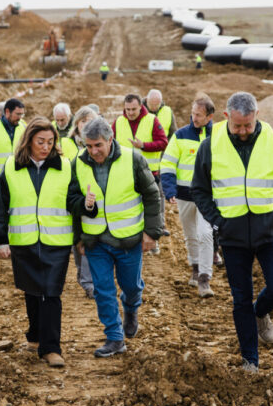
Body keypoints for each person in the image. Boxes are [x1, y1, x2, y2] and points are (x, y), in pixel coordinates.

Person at [191, 92, 273, 373]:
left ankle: (261, 312)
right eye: (237, 125)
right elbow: (199, 189)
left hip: (269, 231)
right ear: (227, 116)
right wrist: (217, 221)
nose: (242, 131)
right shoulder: (210, 146)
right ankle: (250, 360)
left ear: (256, 115)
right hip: (232, 235)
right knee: (240, 299)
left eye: (247, 125)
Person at [69, 118, 163, 357]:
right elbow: (71, 202)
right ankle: (114, 336)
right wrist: (78, 237)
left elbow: (152, 196)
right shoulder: (77, 164)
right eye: (89, 146)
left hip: (128, 239)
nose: (93, 151)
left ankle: (130, 309)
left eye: (98, 145)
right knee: (102, 289)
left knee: (131, 286)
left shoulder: (133, 159)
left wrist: (152, 233)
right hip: (95, 241)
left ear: (110, 140)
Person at [0, 117, 77, 368]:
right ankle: (35, 333)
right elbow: (0, 205)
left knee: (51, 292)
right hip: (23, 240)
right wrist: (0, 240)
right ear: (28, 141)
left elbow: (73, 201)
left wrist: (81, 234)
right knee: (31, 290)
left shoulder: (65, 166)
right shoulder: (11, 166)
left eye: (50, 142)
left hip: (56, 240)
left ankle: (51, 348)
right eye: (41, 141)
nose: (46, 146)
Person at [161, 93, 217, 298]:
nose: (194, 118)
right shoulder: (181, 135)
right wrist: (169, 190)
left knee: (205, 233)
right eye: (193, 114)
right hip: (184, 195)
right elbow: (167, 163)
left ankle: (204, 278)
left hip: (208, 196)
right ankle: (195, 267)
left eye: (199, 115)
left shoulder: (218, 136)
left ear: (210, 116)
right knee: (191, 235)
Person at [112, 94, 169, 249]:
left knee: (150, 208)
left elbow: (163, 142)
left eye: (133, 109)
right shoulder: (118, 122)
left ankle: (153, 240)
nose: (130, 112)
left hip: (150, 173)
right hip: (125, 174)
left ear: (140, 107)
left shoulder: (151, 120)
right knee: (131, 208)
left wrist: (143, 145)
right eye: (127, 109)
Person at [67, 105, 100, 298]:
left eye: (91, 121)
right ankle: (83, 275)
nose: (87, 125)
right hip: (73, 197)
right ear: (77, 124)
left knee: (92, 240)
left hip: (94, 199)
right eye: (83, 121)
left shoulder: (102, 143)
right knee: (78, 239)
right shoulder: (66, 142)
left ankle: (89, 283)